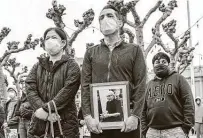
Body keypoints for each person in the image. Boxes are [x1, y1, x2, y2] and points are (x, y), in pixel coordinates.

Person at [81, 4, 146, 138]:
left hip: (128, 121)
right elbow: (85, 86)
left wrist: (135, 116)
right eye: (101, 17)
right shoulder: (91, 53)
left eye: (110, 16)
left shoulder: (134, 50)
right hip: (98, 121)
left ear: (120, 22)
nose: (105, 19)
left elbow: (141, 84)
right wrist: (87, 116)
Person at [25, 27, 81, 137]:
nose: (50, 40)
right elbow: (30, 88)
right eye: (47, 38)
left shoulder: (72, 65)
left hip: (65, 125)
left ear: (63, 42)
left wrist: (46, 109)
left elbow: (68, 91)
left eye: (54, 37)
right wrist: (41, 111)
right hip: (39, 125)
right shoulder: (38, 66)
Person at [141, 52, 195, 138]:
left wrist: (186, 127)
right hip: (152, 131)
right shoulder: (149, 85)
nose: (160, 64)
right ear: (153, 65)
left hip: (175, 130)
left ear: (168, 64)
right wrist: (144, 130)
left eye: (164, 62)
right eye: (157, 62)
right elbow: (143, 109)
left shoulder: (179, 79)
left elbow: (188, 102)